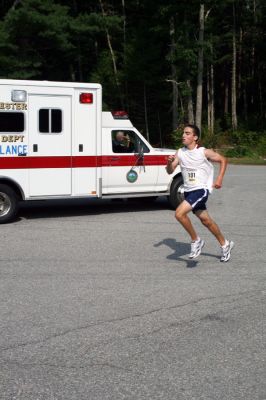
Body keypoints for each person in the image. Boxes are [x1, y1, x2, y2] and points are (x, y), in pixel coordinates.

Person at [166, 124, 234, 262]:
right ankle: (225, 244)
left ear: (195, 137)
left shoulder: (204, 152)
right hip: (188, 191)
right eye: (183, 133)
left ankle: (196, 240)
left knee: (179, 213)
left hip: (201, 190)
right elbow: (170, 171)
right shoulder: (180, 152)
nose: (183, 135)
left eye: (187, 133)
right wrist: (169, 163)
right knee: (206, 221)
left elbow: (223, 160)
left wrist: (219, 179)